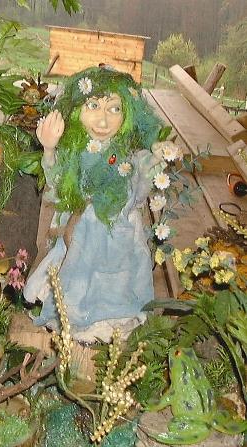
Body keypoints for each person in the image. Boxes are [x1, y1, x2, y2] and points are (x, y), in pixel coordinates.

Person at [24, 67, 165, 342]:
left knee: (118, 280)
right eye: (93, 106)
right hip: (82, 232)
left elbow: (139, 187)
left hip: (120, 234)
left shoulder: (125, 151)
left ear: (128, 113)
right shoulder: (76, 151)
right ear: (77, 110)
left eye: (114, 109)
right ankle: (80, 315)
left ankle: (112, 316)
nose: (103, 120)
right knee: (78, 280)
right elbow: (58, 187)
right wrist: (49, 149)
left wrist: (155, 159)